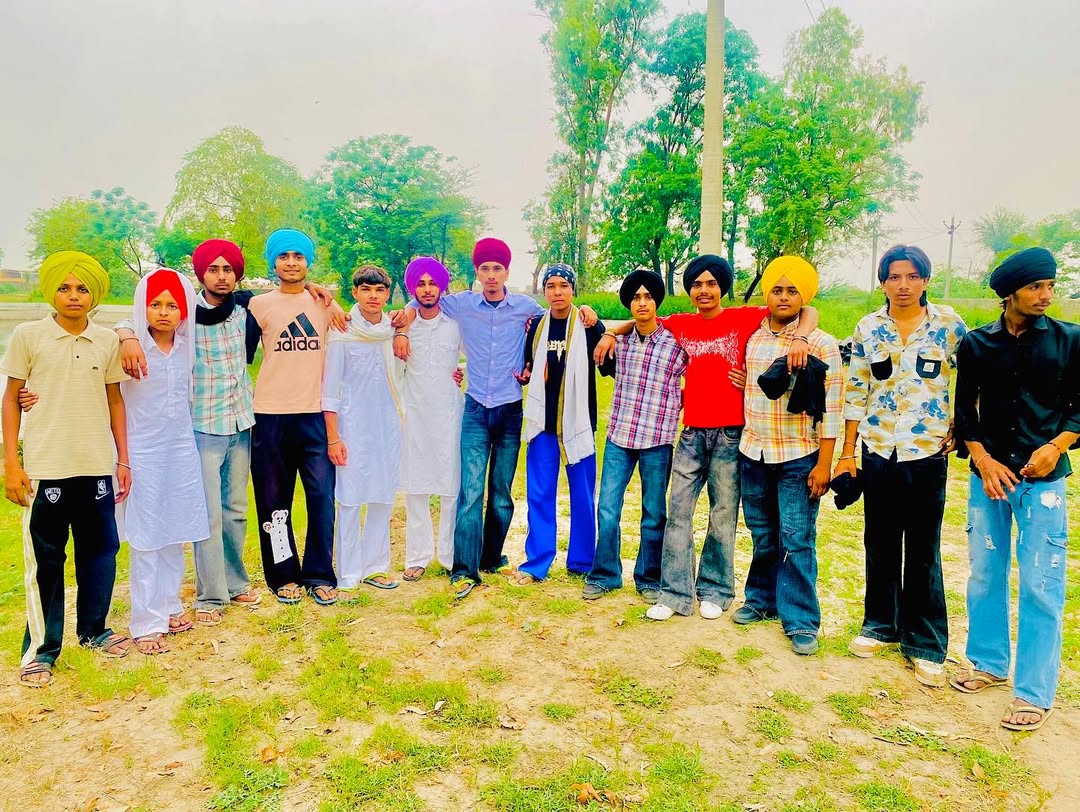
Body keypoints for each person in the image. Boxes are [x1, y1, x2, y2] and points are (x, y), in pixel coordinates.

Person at [595, 255, 817, 622]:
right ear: (689, 291)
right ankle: (674, 591)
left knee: (723, 512)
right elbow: (642, 319)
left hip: (730, 435)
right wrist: (609, 332)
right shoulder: (682, 324)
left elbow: (805, 309)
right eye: (697, 284)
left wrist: (802, 337)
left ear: (722, 288)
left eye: (711, 284)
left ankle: (715, 589)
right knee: (678, 511)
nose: (704, 290)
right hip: (691, 434)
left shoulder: (744, 318)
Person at [391, 238, 597, 599]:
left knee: (501, 493)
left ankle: (491, 557)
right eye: (484, 269)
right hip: (474, 409)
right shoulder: (461, 304)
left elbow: (560, 314)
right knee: (471, 491)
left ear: (506, 271)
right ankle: (464, 569)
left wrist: (589, 311)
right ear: (477, 272)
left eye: (497, 268)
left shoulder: (526, 308)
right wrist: (404, 325)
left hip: (510, 410)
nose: (490, 275)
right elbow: (423, 298)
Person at [951, 247, 1078, 732]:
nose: (1045, 295)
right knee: (985, 573)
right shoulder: (977, 344)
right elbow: (965, 411)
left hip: (1044, 482)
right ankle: (988, 663)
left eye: (1050, 286)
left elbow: (1079, 409)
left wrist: (1056, 446)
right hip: (990, 480)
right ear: (1009, 293)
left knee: (1042, 583)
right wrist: (982, 461)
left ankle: (1033, 692)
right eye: (1034, 287)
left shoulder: (1070, 340)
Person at [834, 244, 967, 688]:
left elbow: (973, 376)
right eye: (894, 277)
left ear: (926, 280)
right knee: (881, 539)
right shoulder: (869, 327)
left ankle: (925, 642)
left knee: (924, 547)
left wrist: (963, 424)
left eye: (912, 276)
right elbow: (857, 390)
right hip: (878, 448)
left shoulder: (948, 325)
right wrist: (848, 450)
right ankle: (880, 625)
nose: (903, 285)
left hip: (926, 450)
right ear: (883, 283)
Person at [2, 251, 133, 686]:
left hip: (95, 464)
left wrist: (122, 459)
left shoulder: (106, 340)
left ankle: (95, 630)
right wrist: (11, 463)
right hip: (47, 466)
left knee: (100, 552)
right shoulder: (28, 336)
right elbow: (11, 399)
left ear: (94, 295)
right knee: (46, 560)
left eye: (82, 289)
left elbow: (115, 400)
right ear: (51, 292)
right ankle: (41, 649)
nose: (74, 296)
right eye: (64, 287)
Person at [732, 257, 842, 655]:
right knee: (762, 533)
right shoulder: (753, 337)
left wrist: (824, 465)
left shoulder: (821, 343)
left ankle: (801, 619)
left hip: (798, 454)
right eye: (777, 290)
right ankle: (760, 600)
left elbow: (832, 410)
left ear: (804, 295)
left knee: (797, 538)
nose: (783, 297)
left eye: (792, 290)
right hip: (754, 451)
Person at [118, 268, 209, 654]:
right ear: (143, 307)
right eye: (155, 304)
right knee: (147, 536)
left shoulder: (188, 346)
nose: (164, 312)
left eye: (172, 305)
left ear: (183, 310)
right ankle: (146, 622)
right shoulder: (130, 346)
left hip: (180, 450)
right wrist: (126, 332)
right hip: (143, 452)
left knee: (175, 530)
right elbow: (117, 328)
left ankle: (170, 605)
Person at [583, 269, 686, 602]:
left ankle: (649, 578)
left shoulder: (675, 342)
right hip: (620, 435)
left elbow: (699, 377)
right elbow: (598, 331)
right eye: (636, 297)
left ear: (657, 301)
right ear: (629, 303)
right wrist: (610, 333)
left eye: (648, 296)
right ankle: (605, 575)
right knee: (607, 508)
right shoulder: (620, 342)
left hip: (658, 438)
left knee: (654, 513)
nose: (642, 303)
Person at [250, 228, 338, 606]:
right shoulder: (258, 305)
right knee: (274, 503)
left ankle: (319, 573)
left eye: (298, 256)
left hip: (314, 415)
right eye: (283, 256)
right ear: (273, 262)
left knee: (322, 498)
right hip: (270, 416)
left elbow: (363, 329)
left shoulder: (325, 304)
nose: (291, 262)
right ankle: (283, 574)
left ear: (308, 262)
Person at [512, 264, 606, 584]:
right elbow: (530, 366)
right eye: (550, 286)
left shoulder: (588, 325)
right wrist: (526, 375)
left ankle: (582, 561)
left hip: (579, 424)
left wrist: (603, 327)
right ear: (544, 291)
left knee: (582, 494)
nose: (557, 292)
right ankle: (537, 562)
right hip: (543, 426)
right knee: (539, 494)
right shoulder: (537, 326)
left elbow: (608, 365)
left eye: (563, 285)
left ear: (573, 289)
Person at [323, 265, 403, 591]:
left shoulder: (391, 330)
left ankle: (375, 567)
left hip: (388, 427)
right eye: (366, 289)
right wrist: (333, 437)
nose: (373, 296)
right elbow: (330, 390)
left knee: (383, 496)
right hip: (351, 427)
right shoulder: (341, 331)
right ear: (354, 292)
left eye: (379, 290)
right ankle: (348, 573)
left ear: (387, 294)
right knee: (350, 499)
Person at [399, 257, 464, 581]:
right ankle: (417, 556)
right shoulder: (403, 327)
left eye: (432, 283)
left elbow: (478, 355)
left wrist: (461, 371)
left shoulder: (455, 325)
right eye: (421, 284)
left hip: (449, 414)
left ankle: (451, 557)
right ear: (413, 289)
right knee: (416, 487)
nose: (427, 289)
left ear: (442, 287)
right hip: (414, 414)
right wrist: (401, 329)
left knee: (451, 487)